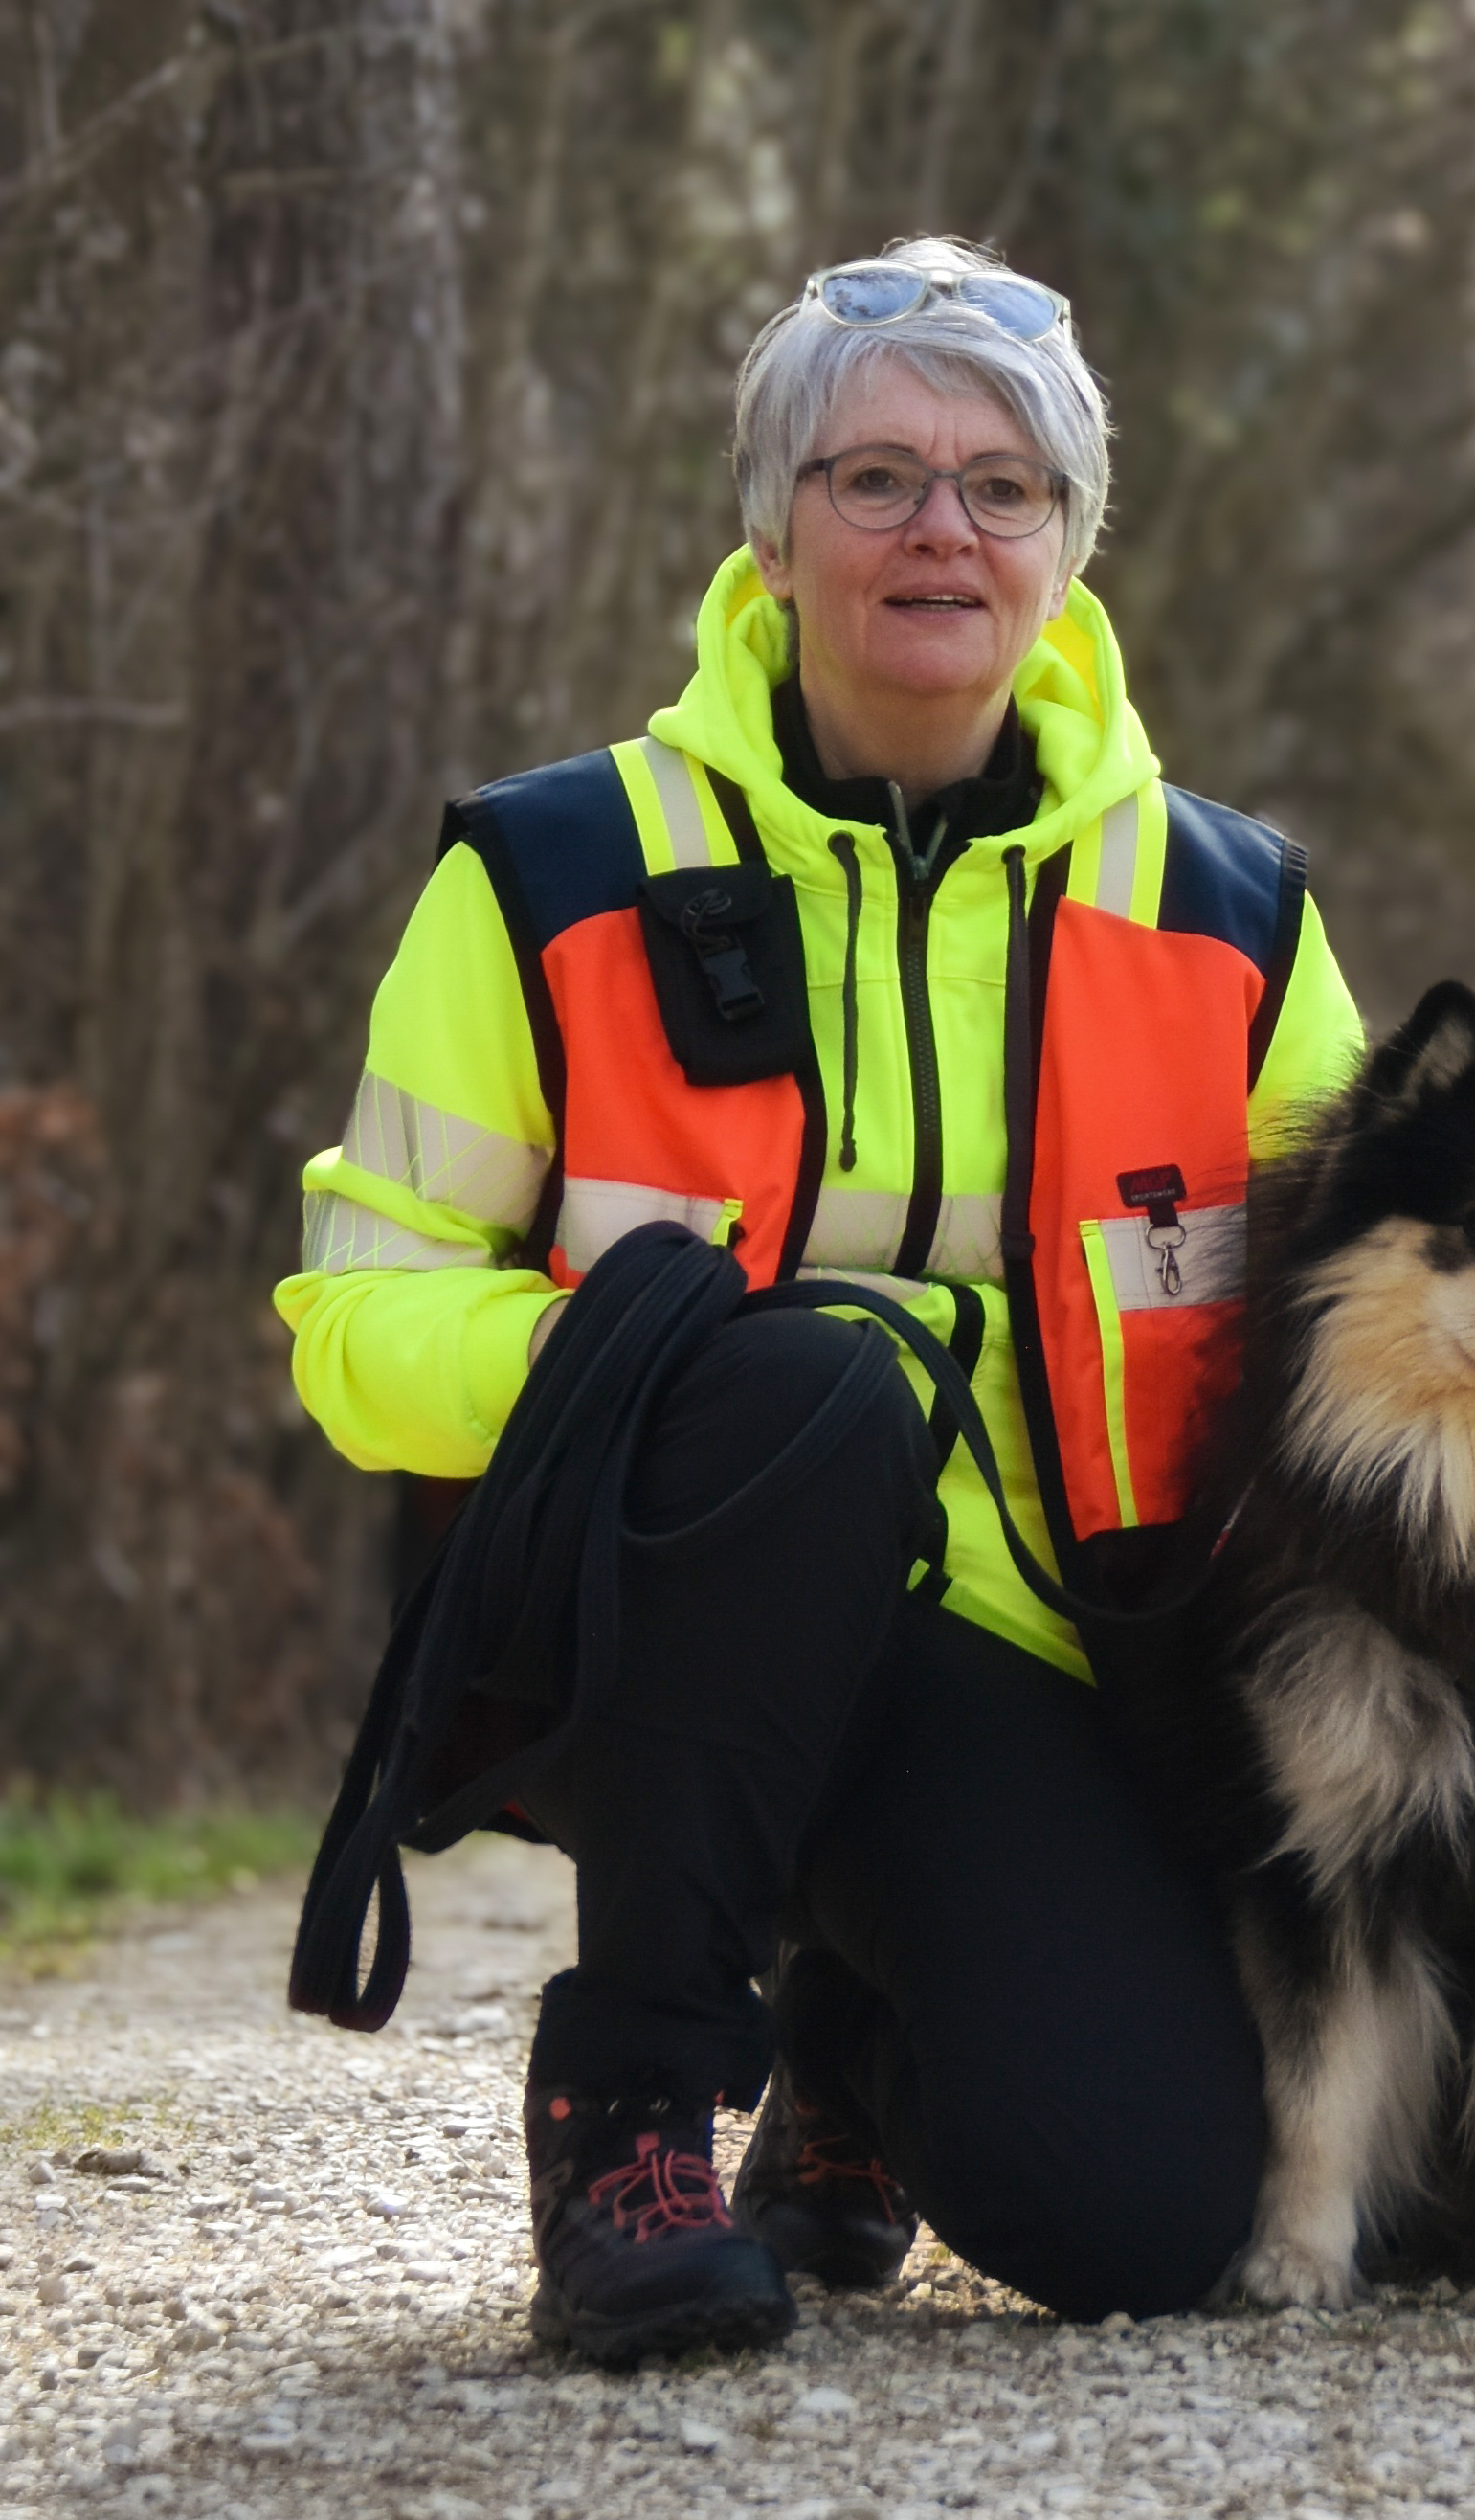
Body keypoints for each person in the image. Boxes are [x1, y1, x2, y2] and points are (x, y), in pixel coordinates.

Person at [279, 242, 1366, 2362]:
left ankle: (852, 2052)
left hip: (1024, 1644)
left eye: (1001, 486)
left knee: (1146, 2214)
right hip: (642, 1609)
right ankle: (630, 2107)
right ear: (773, 531)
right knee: (808, 1390)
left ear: (1071, 546)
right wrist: (640, 1356)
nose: (939, 530)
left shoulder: (1228, 913)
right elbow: (354, 1325)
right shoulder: (553, 869)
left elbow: (1362, 1342)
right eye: (872, 477)